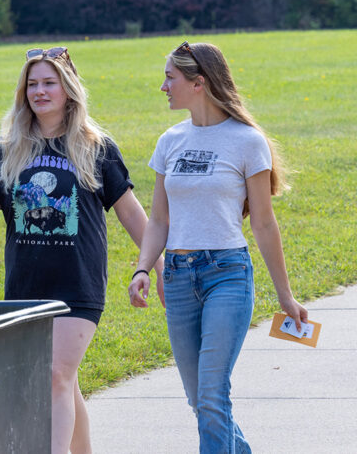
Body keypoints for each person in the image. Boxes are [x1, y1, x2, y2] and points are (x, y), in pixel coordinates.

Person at [0, 47, 164, 454]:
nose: (39, 91)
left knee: (54, 374)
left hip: (78, 283)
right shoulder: (8, 147)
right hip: (26, 286)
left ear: (68, 89)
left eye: (48, 83)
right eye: (32, 84)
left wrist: (156, 264)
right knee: (62, 380)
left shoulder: (96, 147)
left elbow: (129, 211)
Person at [128, 42, 308, 453]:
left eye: (170, 77)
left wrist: (285, 295)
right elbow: (159, 220)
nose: (163, 86)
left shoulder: (247, 141)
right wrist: (143, 268)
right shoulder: (170, 141)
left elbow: (263, 223)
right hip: (177, 276)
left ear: (198, 83)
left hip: (226, 274)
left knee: (212, 396)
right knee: (201, 402)